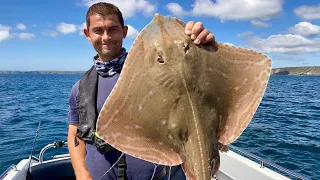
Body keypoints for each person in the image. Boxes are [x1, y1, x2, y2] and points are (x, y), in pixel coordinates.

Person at [67, 2, 216, 180]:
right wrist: (81, 173)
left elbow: (197, 89)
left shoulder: (155, 68)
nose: (106, 37)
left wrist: (202, 48)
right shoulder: (81, 88)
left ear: (124, 31)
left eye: (113, 29)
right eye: (98, 30)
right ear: (87, 34)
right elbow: (75, 133)